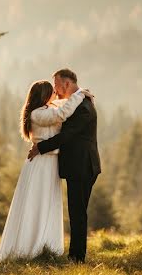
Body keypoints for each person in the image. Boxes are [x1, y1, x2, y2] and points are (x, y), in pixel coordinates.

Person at [0, 79, 88, 262]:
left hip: (50, 163)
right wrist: (79, 94)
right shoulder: (38, 114)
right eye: (52, 91)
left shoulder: (44, 110)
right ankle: (30, 248)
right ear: (44, 95)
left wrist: (75, 94)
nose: (55, 94)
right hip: (41, 164)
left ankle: (46, 246)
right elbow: (61, 114)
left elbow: (61, 104)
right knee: (37, 203)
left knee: (48, 203)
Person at [28, 68, 101, 263]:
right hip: (78, 166)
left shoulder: (83, 107)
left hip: (83, 166)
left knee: (78, 213)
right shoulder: (77, 102)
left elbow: (66, 136)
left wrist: (40, 147)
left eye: (57, 85)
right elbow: (60, 109)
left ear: (66, 84)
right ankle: (75, 256)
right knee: (77, 212)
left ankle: (77, 258)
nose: (55, 90)